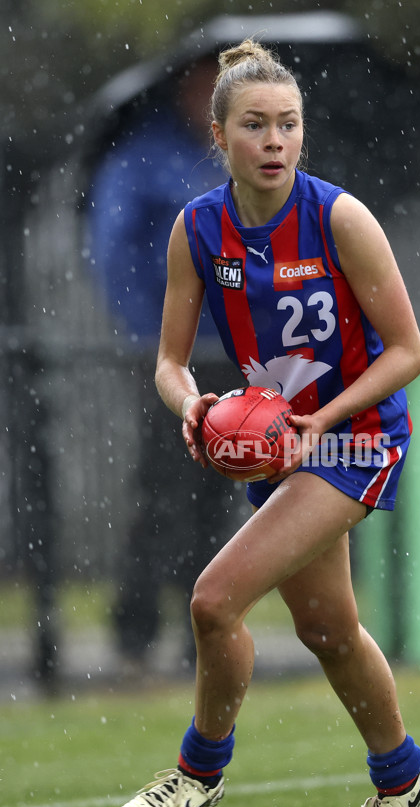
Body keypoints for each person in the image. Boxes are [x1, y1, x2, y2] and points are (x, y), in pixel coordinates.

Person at [115, 39, 420, 807]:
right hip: (281, 447)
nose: (274, 140)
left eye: (288, 125)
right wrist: (194, 407)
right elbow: (169, 363)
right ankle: (404, 779)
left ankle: (198, 774)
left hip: (354, 439)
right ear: (219, 138)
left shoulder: (339, 218)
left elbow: (409, 351)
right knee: (329, 631)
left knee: (213, 600)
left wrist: (324, 421)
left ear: (303, 134)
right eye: (254, 125)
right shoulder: (197, 231)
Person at [88, 56, 243, 671]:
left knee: (219, 492)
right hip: (173, 358)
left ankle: (200, 625)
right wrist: (154, 338)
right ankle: (136, 626)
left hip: (234, 354)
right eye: (206, 85)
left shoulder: (236, 159)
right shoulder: (142, 157)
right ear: (184, 86)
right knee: (162, 485)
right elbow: (113, 251)